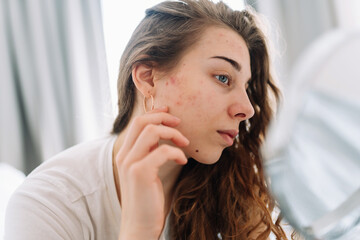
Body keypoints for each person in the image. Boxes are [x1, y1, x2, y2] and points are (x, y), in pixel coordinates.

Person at [5, 0, 289, 239]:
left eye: (246, 86)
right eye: (223, 77)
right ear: (147, 77)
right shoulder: (48, 205)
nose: (247, 109)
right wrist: (138, 230)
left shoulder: (229, 186)